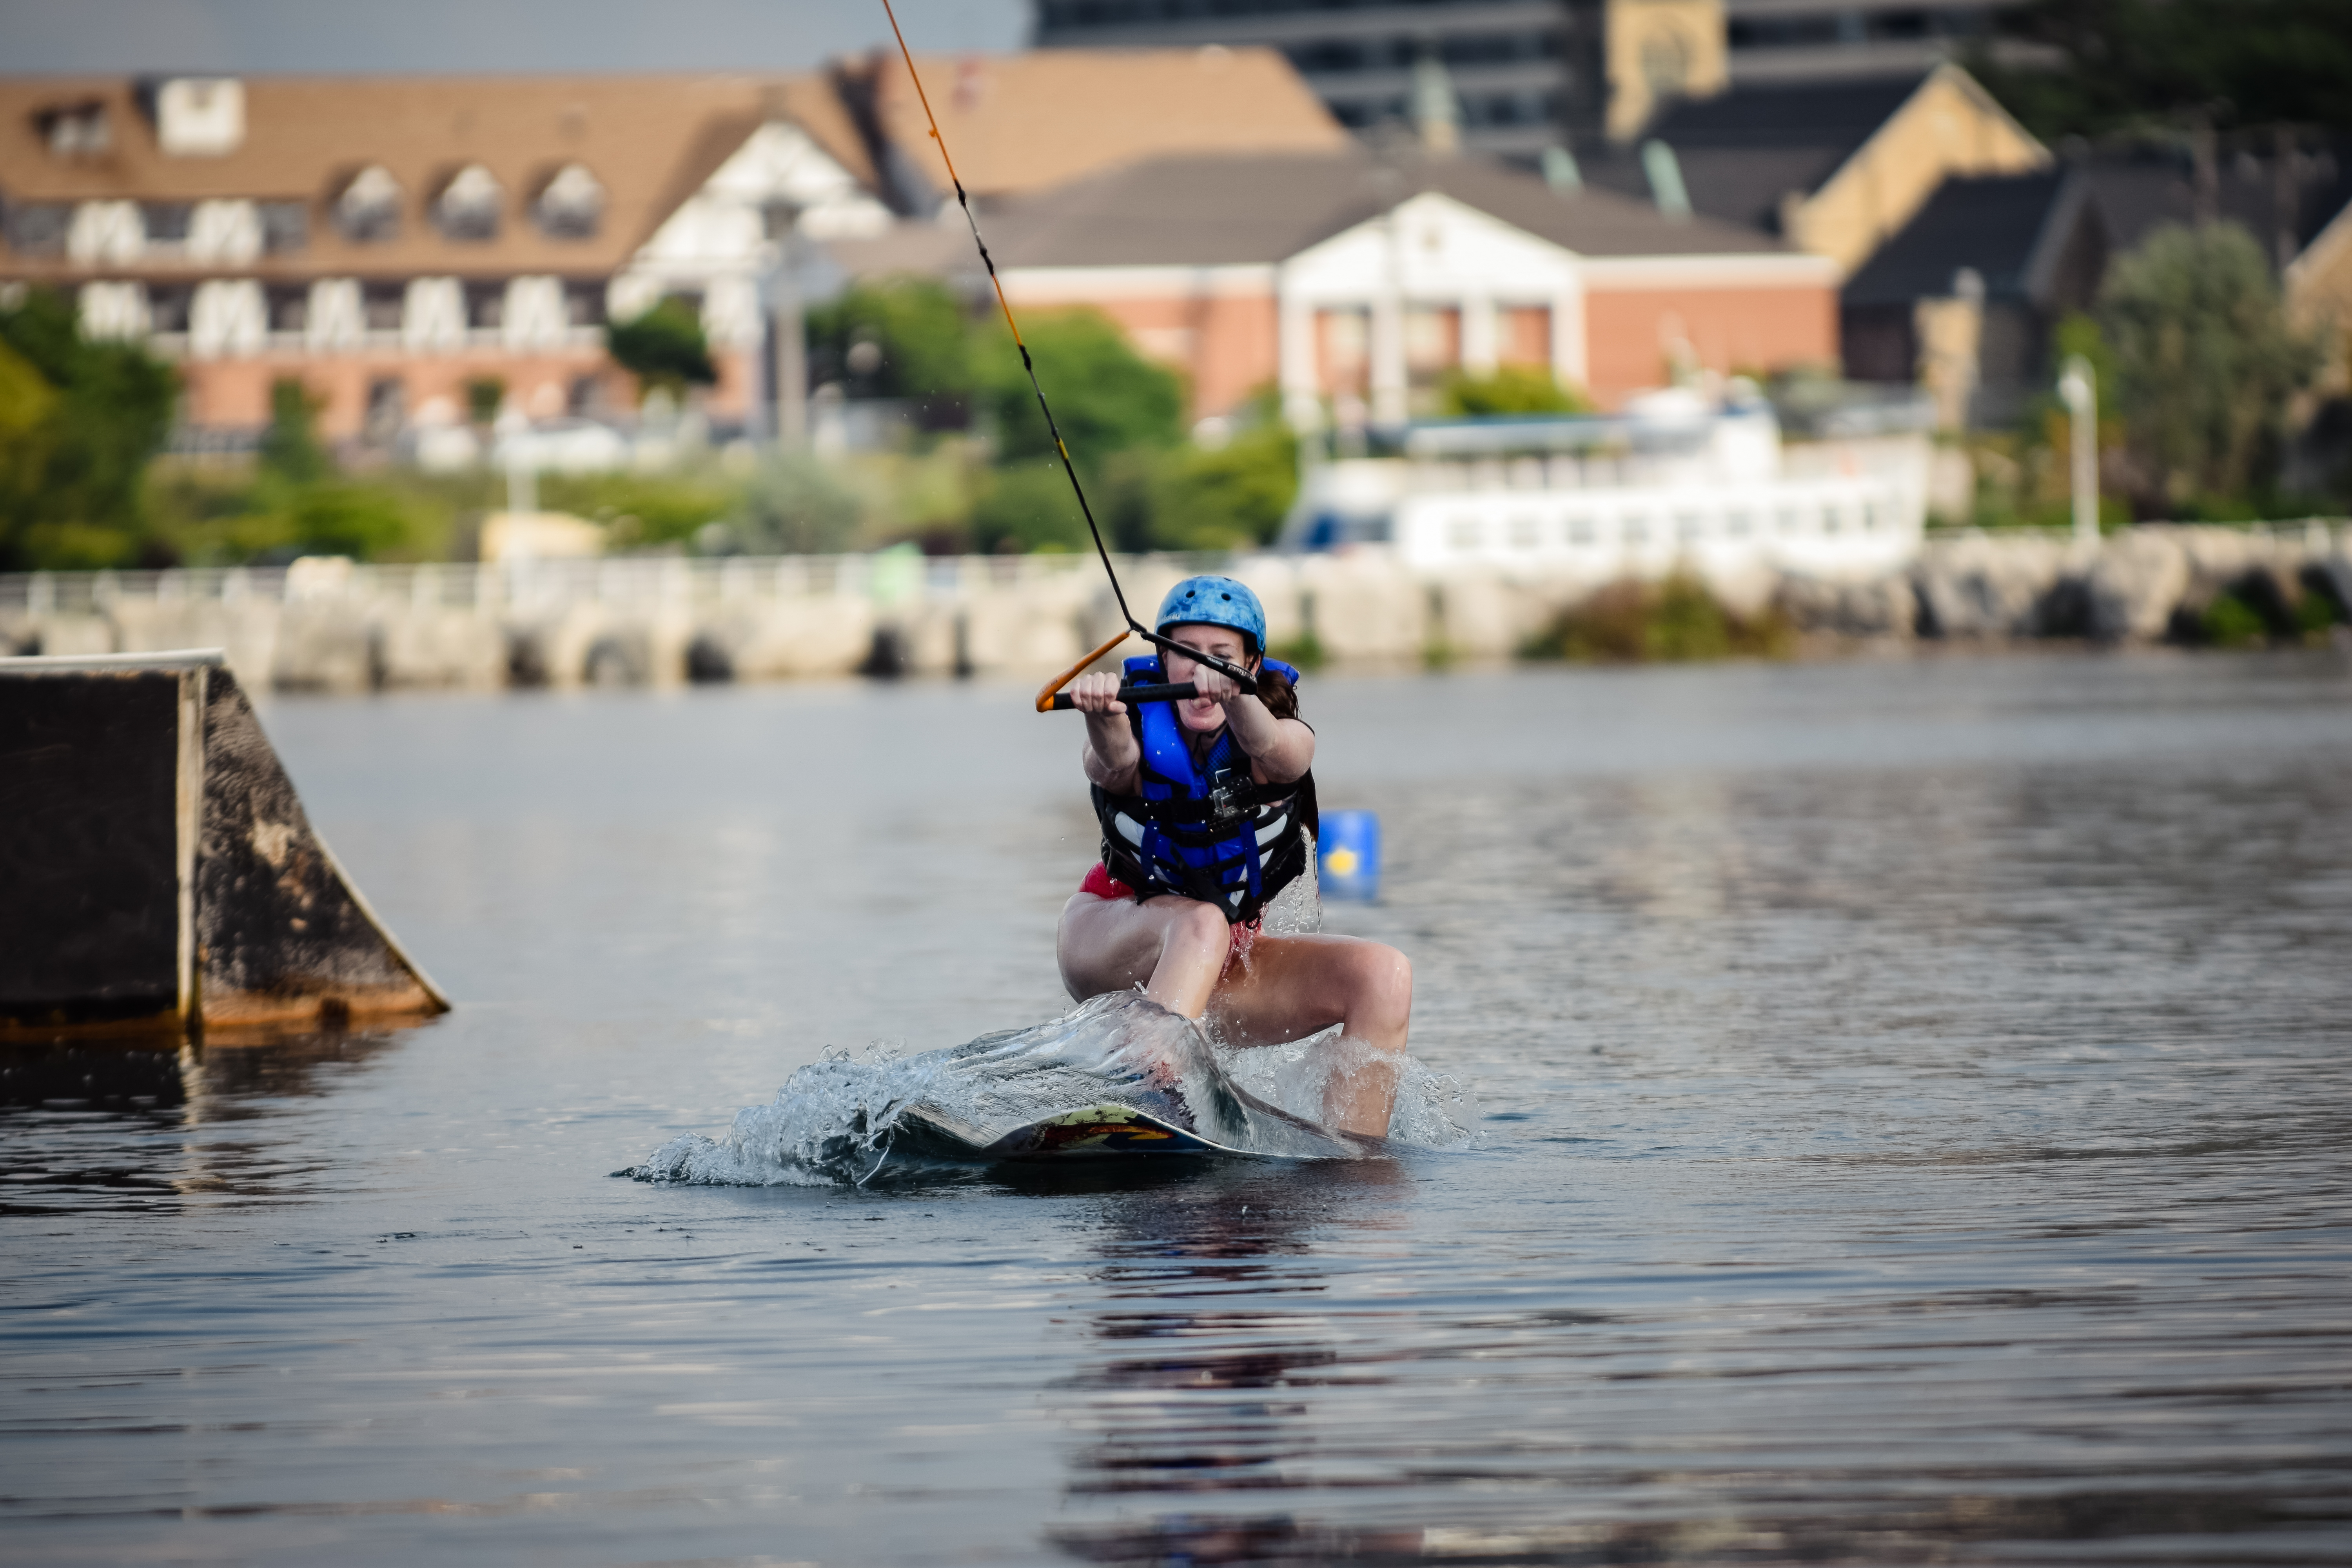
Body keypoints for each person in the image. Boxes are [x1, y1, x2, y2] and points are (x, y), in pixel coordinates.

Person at [1059, 575, 1412, 1137]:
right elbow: (1113, 763)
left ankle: (1354, 1153)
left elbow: (1276, 751)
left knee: (1383, 974)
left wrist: (1237, 698)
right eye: (1186, 656)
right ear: (1161, 660)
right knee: (1202, 922)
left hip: (1222, 964)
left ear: (1251, 664)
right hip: (1109, 939)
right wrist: (1102, 718)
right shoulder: (1130, 727)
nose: (1201, 674)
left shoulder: (1284, 740)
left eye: (1221, 658)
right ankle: (1149, 1092)